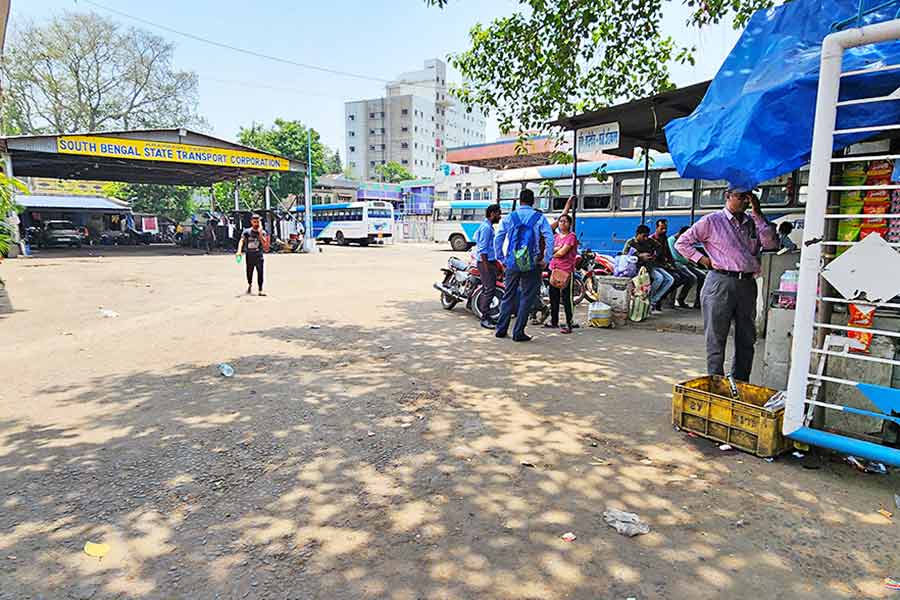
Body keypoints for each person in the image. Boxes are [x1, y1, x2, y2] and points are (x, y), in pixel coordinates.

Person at [676, 187, 778, 381]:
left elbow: (771, 245)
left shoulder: (753, 223)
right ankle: (715, 382)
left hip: (747, 284)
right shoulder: (712, 221)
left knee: (747, 338)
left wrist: (757, 213)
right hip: (719, 282)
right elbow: (682, 243)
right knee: (716, 337)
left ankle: (740, 382)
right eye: (740, 197)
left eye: (748, 198)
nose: (745, 202)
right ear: (727, 197)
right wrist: (703, 260)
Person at [493, 189, 554, 342]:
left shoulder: (510, 217)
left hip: (512, 263)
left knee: (508, 295)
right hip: (532, 264)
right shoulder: (539, 217)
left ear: (519, 200)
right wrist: (546, 259)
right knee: (527, 297)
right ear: (533, 201)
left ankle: (501, 329)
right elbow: (550, 239)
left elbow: (498, 238)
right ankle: (518, 332)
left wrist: (502, 258)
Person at [623, 224, 673, 314]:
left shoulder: (650, 241)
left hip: (651, 265)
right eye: (644, 236)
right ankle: (650, 301)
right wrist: (640, 256)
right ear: (638, 234)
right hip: (639, 268)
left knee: (670, 279)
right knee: (659, 278)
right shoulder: (630, 242)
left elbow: (659, 247)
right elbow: (625, 256)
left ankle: (653, 300)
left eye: (647, 236)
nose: (646, 238)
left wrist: (654, 255)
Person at [546, 213, 578, 333]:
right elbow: (552, 249)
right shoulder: (556, 237)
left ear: (570, 224)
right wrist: (556, 250)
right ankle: (554, 321)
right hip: (554, 269)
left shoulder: (571, 236)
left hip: (566, 270)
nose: (562, 223)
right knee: (553, 297)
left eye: (565, 221)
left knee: (566, 299)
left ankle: (569, 324)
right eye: (560, 221)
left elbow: (562, 252)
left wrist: (553, 253)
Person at [650, 219, 693, 309]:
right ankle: (656, 300)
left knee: (682, 278)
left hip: (665, 265)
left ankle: (660, 297)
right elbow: (655, 258)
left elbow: (669, 255)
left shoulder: (664, 239)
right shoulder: (652, 240)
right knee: (670, 278)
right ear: (657, 228)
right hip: (657, 266)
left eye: (665, 228)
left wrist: (672, 266)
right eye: (662, 228)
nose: (664, 231)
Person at [474, 203, 503, 329]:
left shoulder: (487, 226)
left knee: (490, 289)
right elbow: (482, 249)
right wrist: (486, 266)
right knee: (489, 289)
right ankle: (484, 318)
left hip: (489, 262)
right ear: (492, 214)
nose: (500, 216)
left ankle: (488, 316)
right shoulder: (486, 228)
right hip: (485, 262)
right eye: (498, 213)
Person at [669, 225, 706, 308]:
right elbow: (676, 257)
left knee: (702, 276)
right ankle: (681, 299)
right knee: (692, 277)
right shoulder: (671, 241)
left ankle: (698, 302)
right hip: (677, 263)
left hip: (686, 263)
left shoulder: (686, 242)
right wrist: (689, 261)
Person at [236, 214, 270, 296]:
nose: (256, 223)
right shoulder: (247, 232)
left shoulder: (263, 233)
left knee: (260, 272)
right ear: (251, 222)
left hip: (259, 255)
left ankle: (260, 289)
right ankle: (249, 284)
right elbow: (242, 241)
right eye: (254, 222)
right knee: (249, 272)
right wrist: (239, 251)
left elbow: (266, 247)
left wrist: (260, 233)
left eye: (258, 222)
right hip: (249, 255)